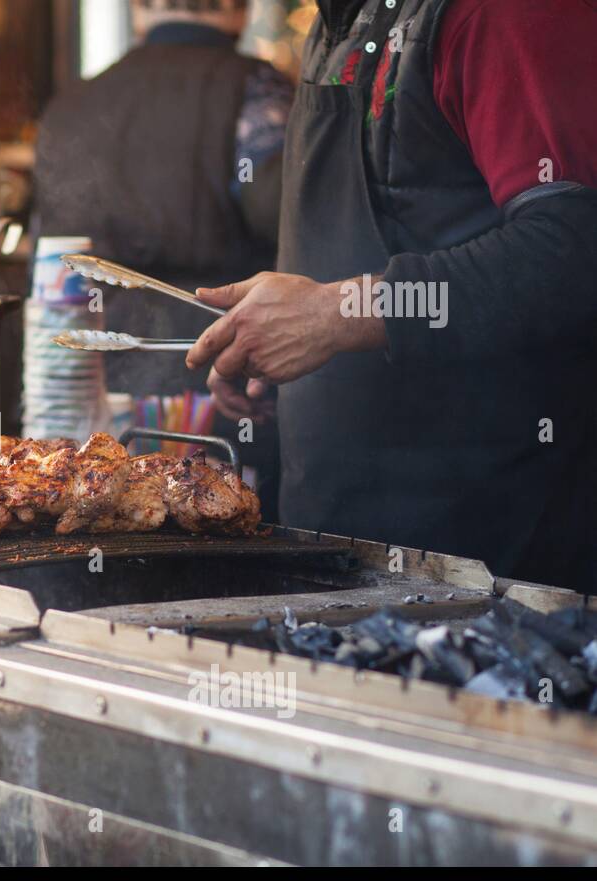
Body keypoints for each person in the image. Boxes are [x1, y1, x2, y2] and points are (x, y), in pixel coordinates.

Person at [184, 0, 597, 592]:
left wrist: (337, 313)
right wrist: (280, 347)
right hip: (338, 537)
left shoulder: (499, 14)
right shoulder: (338, 23)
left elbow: (571, 250)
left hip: (489, 561)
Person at [32, 0, 293, 510]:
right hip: (221, 387)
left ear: (139, 9)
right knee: (223, 538)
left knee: (109, 528)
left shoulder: (71, 102)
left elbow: (46, 265)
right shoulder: (260, 92)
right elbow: (291, 225)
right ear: (240, 11)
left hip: (86, 391)